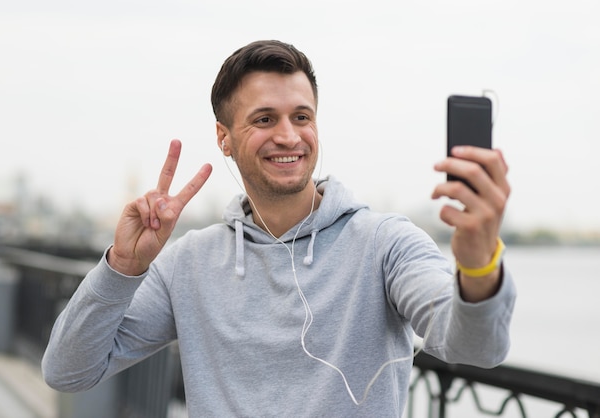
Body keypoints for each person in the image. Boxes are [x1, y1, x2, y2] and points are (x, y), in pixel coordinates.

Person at [42, 40, 516, 417]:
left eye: (302, 117)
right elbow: (68, 371)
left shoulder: (386, 242)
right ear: (223, 138)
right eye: (264, 119)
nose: (289, 136)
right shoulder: (189, 261)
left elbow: (475, 348)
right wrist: (122, 267)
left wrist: (478, 266)